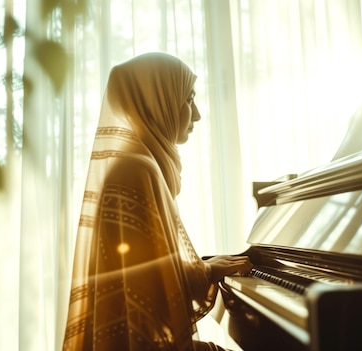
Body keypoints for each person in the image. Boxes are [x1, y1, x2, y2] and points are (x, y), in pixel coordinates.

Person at [62, 52, 253, 351]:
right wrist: (205, 271)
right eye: (188, 99)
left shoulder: (140, 162)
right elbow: (148, 287)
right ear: (159, 101)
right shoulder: (136, 168)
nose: (198, 114)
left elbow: (144, 269)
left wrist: (204, 267)